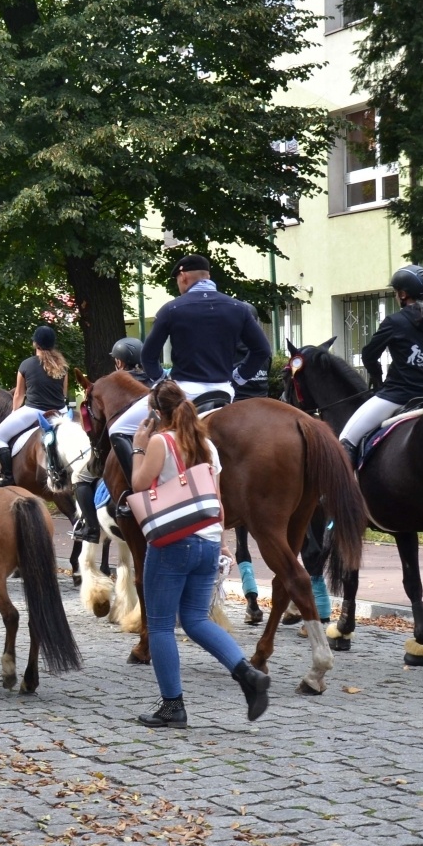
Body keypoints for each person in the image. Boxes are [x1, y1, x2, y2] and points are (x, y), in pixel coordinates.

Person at [130, 381, 270, 728]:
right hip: (207, 541)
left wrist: (137, 448)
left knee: (161, 625)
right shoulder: (207, 446)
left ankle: (173, 706)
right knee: (195, 620)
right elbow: (218, 502)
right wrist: (221, 543)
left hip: (172, 542)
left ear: (156, 413)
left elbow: (137, 484)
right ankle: (247, 674)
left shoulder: (162, 442)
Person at [106, 254, 271, 496]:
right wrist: (237, 378)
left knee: (117, 430)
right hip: (224, 391)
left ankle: (138, 492)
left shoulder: (173, 308)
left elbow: (148, 356)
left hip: (184, 391)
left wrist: (162, 382)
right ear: (208, 276)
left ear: (183, 276)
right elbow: (262, 350)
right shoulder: (237, 308)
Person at [337, 264, 423, 464]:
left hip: (397, 396)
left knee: (345, 441)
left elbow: (369, 354)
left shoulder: (395, 321)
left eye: (396, 292)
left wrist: (377, 379)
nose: (396, 296)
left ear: (403, 294)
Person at [71, 337, 154, 541]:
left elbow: (99, 422)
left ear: (119, 362)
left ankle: (91, 528)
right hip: (155, 437)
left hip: (127, 441)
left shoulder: (111, 383)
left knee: (80, 477)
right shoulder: (152, 378)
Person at [0, 326, 68, 486]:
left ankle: (7, 476)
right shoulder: (63, 366)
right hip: (60, 411)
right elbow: (64, 394)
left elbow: (19, 394)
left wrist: (13, 413)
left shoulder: (26, 364)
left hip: (34, 411)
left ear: (35, 343)